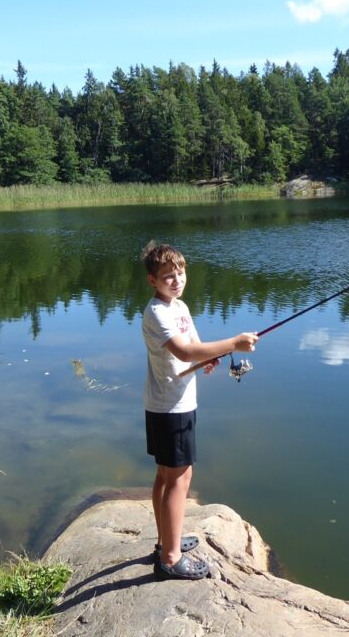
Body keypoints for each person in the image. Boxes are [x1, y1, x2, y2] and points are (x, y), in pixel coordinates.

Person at [141, 240, 258, 581]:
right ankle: (171, 558)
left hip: (176, 402)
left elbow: (195, 348)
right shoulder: (157, 313)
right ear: (152, 281)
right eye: (167, 276)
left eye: (180, 273)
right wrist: (233, 343)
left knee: (167, 475)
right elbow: (184, 352)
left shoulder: (180, 307)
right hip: (169, 407)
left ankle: (167, 540)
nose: (176, 280)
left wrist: (209, 357)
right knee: (179, 476)